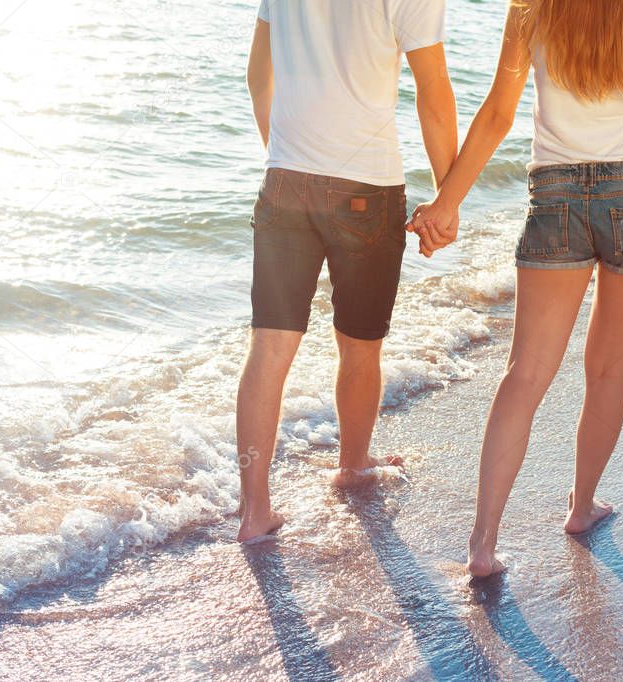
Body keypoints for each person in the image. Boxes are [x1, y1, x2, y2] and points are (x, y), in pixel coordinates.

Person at [410, 0, 623, 576]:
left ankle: (482, 545)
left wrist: (447, 200)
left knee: (524, 374)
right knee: (608, 367)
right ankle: (580, 507)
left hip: (555, 197)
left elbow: (499, 112)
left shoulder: (532, 5)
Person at [237, 0, 458, 543]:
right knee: (359, 345)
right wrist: (448, 195)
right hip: (367, 188)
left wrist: (280, 155)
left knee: (268, 347)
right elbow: (433, 92)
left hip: (284, 180)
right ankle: (353, 464)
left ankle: (254, 513)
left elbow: (256, 75)